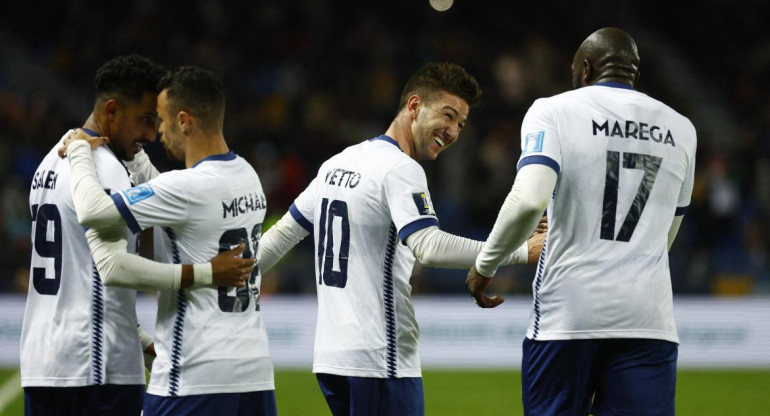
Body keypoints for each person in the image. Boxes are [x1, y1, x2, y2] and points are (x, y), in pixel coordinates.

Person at [257, 62, 545, 416]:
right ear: (414, 106)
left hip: (332, 358)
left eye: (461, 124)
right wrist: (518, 252)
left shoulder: (339, 162)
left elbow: (284, 234)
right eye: (447, 115)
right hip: (380, 358)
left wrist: (222, 277)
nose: (453, 131)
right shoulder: (401, 169)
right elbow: (429, 246)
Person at [466, 27, 697, 416]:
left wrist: (485, 265)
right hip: (648, 319)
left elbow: (527, 202)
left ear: (586, 69)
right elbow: (666, 232)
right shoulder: (682, 129)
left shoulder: (553, 111)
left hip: (568, 317)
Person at [63, 66, 276, 416]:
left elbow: (93, 211)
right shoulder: (247, 176)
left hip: (193, 373)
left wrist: (79, 151)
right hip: (254, 371)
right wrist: (138, 157)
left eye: (161, 121)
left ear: (183, 120)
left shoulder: (186, 188)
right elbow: (180, 199)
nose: (157, 132)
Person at [20, 54, 167, 416]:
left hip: (43, 362)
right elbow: (115, 270)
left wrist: (141, 341)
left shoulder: (49, 163)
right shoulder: (108, 173)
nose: (150, 136)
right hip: (96, 369)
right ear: (113, 110)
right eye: (145, 120)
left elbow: (88, 278)